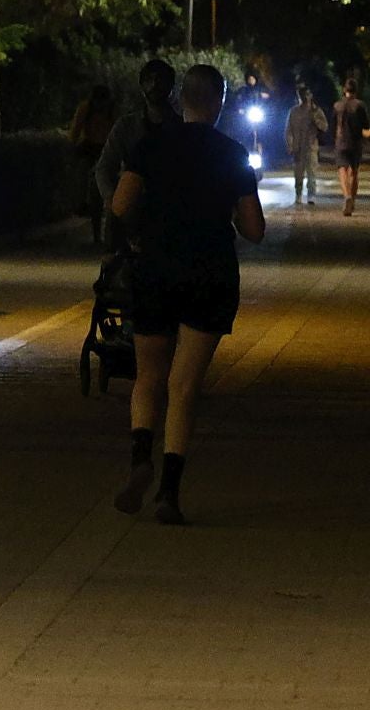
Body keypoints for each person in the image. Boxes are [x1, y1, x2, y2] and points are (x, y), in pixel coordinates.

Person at [109, 64, 265, 525]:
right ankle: (169, 494)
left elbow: (119, 205)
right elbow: (254, 229)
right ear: (219, 102)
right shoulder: (232, 154)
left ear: (182, 100)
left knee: (148, 376)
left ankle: (140, 457)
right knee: (184, 387)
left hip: (155, 269)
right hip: (209, 274)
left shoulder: (150, 145)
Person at [93, 59, 181, 252]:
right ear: (141, 86)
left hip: (170, 216)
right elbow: (104, 167)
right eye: (149, 79)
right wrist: (113, 201)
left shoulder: (183, 127)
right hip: (131, 212)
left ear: (171, 87)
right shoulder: (126, 127)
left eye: (161, 80)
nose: (155, 85)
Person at [68, 84, 117, 246]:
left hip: (107, 150)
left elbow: (118, 133)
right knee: (82, 174)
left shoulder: (113, 111)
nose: (100, 107)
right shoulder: (85, 109)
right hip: (89, 148)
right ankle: (80, 202)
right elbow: (75, 132)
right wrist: (72, 148)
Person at [283, 83, 328, 207]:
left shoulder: (316, 111)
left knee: (312, 173)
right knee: (298, 174)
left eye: (306, 95)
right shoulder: (293, 111)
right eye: (301, 95)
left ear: (310, 96)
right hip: (298, 147)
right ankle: (298, 194)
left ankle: (311, 195)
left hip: (311, 146)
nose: (304, 97)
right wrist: (290, 145)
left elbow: (324, 127)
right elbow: (288, 130)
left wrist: (315, 119)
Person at [333, 78, 370, 215]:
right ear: (356, 90)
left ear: (344, 90)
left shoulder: (337, 106)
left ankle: (347, 196)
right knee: (354, 172)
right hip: (355, 143)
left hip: (341, 142)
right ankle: (352, 201)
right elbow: (366, 126)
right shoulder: (360, 106)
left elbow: (333, 126)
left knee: (342, 171)